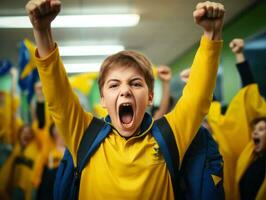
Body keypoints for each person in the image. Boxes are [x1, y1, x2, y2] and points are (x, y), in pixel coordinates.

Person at [26, 0, 224, 199]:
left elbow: (197, 98)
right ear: (103, 99)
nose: (125, 91)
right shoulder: (84, 135)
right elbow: (58, 97)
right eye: (114, 85)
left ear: (149, 97)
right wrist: (42, 33)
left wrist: (212, 35)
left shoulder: (170, 135)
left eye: (136, 83)